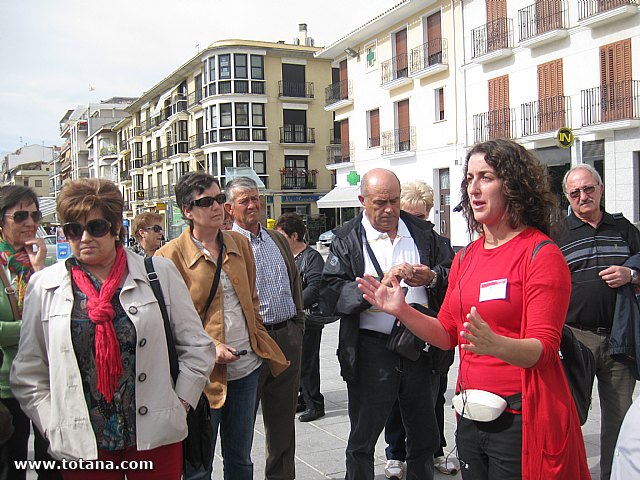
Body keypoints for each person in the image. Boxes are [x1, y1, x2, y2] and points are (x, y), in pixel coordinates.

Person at [356, 140, 591, 480]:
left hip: (520, 417)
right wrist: (402, 310)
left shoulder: (541, 254)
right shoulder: (467, 256)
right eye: (469, 179)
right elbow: (446, 334)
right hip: (470, 415)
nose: (474, 188)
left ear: (513, 185)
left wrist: (497, 345)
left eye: (487, 177)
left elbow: (543, 350)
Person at [10, 178, 216, 479]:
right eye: (73, 229)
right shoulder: (45, 286)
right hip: (84, 445)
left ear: (116, 226)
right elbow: (28, 371)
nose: (84, 238)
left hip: (154, 439)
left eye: (96, 227)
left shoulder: (158, 273)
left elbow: (198, 347)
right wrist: (52, 424)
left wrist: (179, 403)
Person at [320, 168, 453, 480]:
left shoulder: (423, 233)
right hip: (370, 350)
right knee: (362, 439)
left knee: (424, 437)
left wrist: (432, 277)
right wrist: (379, 285)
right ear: (362, 201)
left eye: (394, 201)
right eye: (380, 203)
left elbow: (454, 274)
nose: (389, 209)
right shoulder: (347, 239)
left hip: (418, 347)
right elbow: (330, 294)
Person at [156, 172, 289, 480]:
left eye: (219, 199)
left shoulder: (239, 244)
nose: (217, 207)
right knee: (198, 463)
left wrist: (258, 336)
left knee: (240, 458)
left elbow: (252, 297)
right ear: (187, 211)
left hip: (246, 367)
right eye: (206, 202)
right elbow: (169, 320)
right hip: (200, 377)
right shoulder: (168, 256)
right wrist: (209, 347)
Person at [553, 164, 640, 480]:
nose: (583, 196)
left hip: (619, 338)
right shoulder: (557, 234)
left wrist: (631, 274)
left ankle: (611, 475)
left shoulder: (623, 229)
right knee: (569, 415)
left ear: (600, 189)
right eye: (575, 192)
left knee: (618, 417)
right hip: (576, 339)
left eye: (588, 189)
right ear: (567, 197)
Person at [225, 176, 304, 480]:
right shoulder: (227, 244)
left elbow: (294, 284)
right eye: (244, 200)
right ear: (230, 208)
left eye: (255, 198)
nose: (253, 205)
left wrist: (297, 327)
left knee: (283, 423)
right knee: (241, 426)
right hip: (251, 341)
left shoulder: (278, 239)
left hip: (286, 337)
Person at [382, 180, 458, 479]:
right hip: (395, 330)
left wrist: (432, 276)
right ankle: (395, 452)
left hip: (431, 329)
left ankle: (436, 448)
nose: (415, 221)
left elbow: (452, 275)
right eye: (409, 214)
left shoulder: (437, 242)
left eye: (421, 216)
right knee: (394, 397)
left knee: (434, 394)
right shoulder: (389, 238)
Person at [0, 185, 60, 480]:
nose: (29, 223)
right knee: (11, 467)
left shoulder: (45, 263)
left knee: (53, 465)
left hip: (44, 382)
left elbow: (56, 316)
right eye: (20, 215)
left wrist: (38, 272)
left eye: (34, 215)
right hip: (4, 386)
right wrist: (30, 328)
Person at [275, 212, 328, 423]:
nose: (279, 241)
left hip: (309, 318)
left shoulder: (312, 257)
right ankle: (303, 398)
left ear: (294, 236)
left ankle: (315, 403)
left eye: (282, 236)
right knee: (294, 362)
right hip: (293, 317)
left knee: (307, 363)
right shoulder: (286, 257)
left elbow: (315, 288)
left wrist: (293, 305)